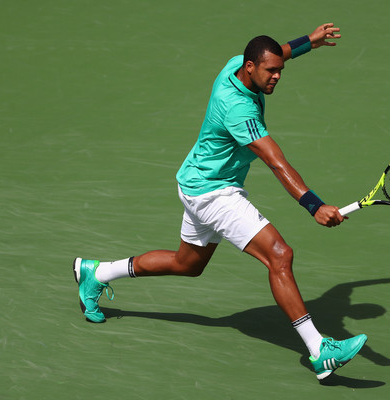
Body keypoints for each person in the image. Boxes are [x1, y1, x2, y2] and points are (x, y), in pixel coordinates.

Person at [74, 23, 367, 381]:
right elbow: (277, 162)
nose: (276, 76)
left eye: (280, 71)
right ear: (250, 68)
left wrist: (310, 42)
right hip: (214, 191)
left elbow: (277, 52)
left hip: (195, 180)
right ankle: (319, 349)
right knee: (279, 255)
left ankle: (96, 273)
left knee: (187, 264)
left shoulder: (237, 65)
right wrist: (314, 205)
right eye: (270, 71)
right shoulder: (238, 110)